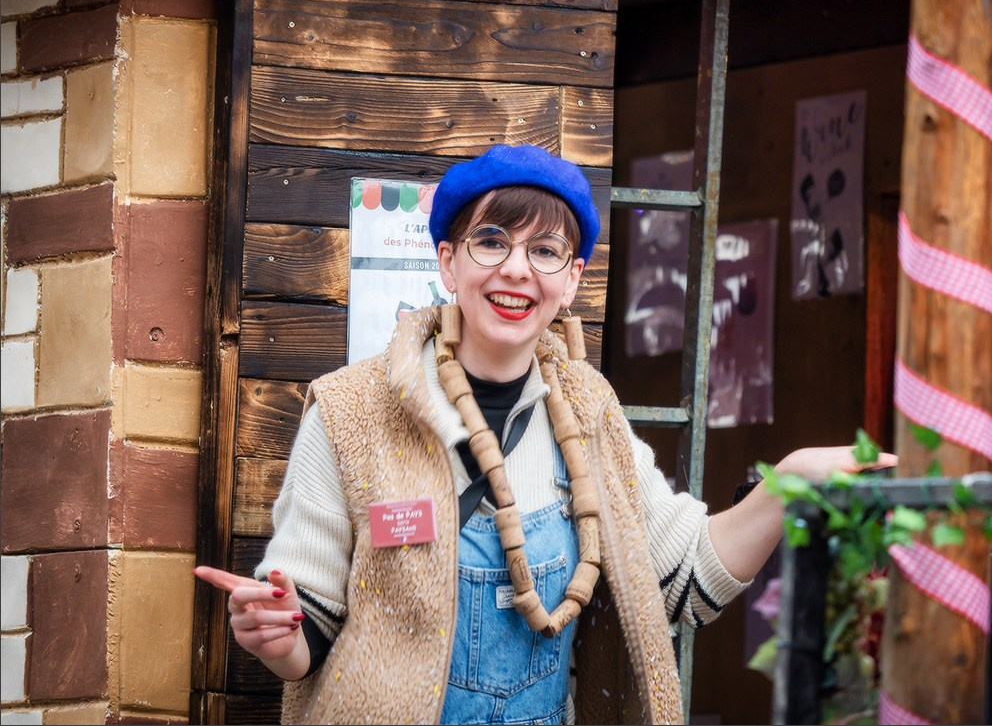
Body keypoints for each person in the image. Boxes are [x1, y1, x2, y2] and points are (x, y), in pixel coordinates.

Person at [195, 144, 896, 725]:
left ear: (573, 279)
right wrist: (274, 633)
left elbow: (685, 580)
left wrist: (791, 484)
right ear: (448, 261)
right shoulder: (351, 412)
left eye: (546, 250)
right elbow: (304, 632)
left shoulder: (590, 413)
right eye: (491, 240)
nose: (516, 268)